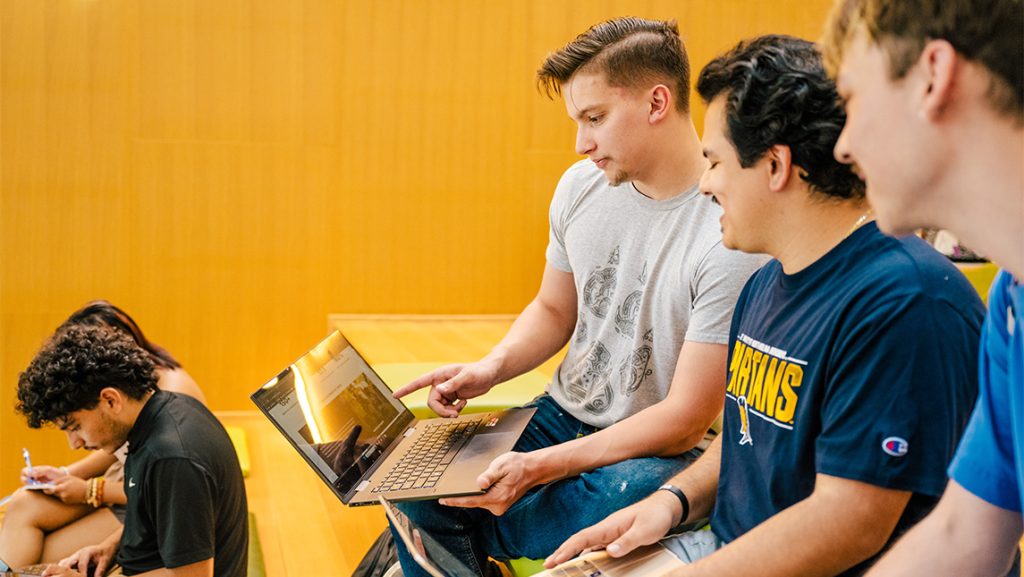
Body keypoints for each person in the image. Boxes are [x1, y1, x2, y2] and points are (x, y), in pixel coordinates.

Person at [546, 34, 984, 577]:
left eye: (716, 163)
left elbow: (851, 523)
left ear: (776, 166)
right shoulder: (765, 282)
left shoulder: (906, 303)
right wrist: (670, 504)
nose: (705, 186)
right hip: (724, 547)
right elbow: (745, 437)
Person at [389, 17, 767, 576]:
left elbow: (686, 420)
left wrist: (538, 468)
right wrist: (491, 368)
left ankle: (473, 534)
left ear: (657, 102)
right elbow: (553, 310)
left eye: (595, 119)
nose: (580, 143)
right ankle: (473, 533)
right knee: (408, 484)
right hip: (559, 414)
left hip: (651, 448)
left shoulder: (727, 230)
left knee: (609, 498)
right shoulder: (579, 186)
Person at [821, 0, 1024, 574]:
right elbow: (964, 535)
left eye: (852, 99)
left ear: (933, 75)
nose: (842, 145)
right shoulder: (1010, 302)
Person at [14, 324, 247, 577]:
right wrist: (109, 548)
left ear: (111, 400)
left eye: (75, 426)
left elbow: (192, 576)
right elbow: (157, 518)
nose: (75, 443)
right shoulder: (165, 412)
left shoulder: (171, 458)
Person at [0, 301, 206, 568]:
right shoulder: (130, 406)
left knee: (39, 556)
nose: (74, 442)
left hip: (137, 503)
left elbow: (159, 492)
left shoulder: (171, 415)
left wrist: (90, 490)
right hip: (123, 485)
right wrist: (67, 474)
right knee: (21, 504)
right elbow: (114, 450)